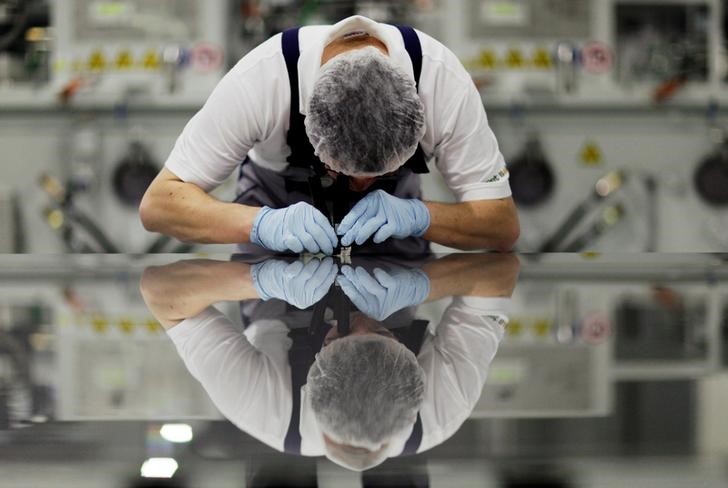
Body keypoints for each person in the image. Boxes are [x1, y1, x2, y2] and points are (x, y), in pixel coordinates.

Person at [139, 16, 519, 255]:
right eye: (343, 171)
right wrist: (261, 225)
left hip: (395, 224)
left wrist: (417, 217)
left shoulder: (443, 84)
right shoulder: (260, 81)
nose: (359, 189)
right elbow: (159, 204)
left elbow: (501, 225)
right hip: (273, 201)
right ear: (308, 119)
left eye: (378, 172)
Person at [140, 253, 519, 471]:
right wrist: (417, 285)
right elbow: (501, 272)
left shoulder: (264, 409)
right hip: (393, 258)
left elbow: (160, 290)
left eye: (337, 336)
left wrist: (263, 278)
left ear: (311, 381)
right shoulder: (444, 405)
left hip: (277, 259)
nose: (360, 318)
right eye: (384, 334)